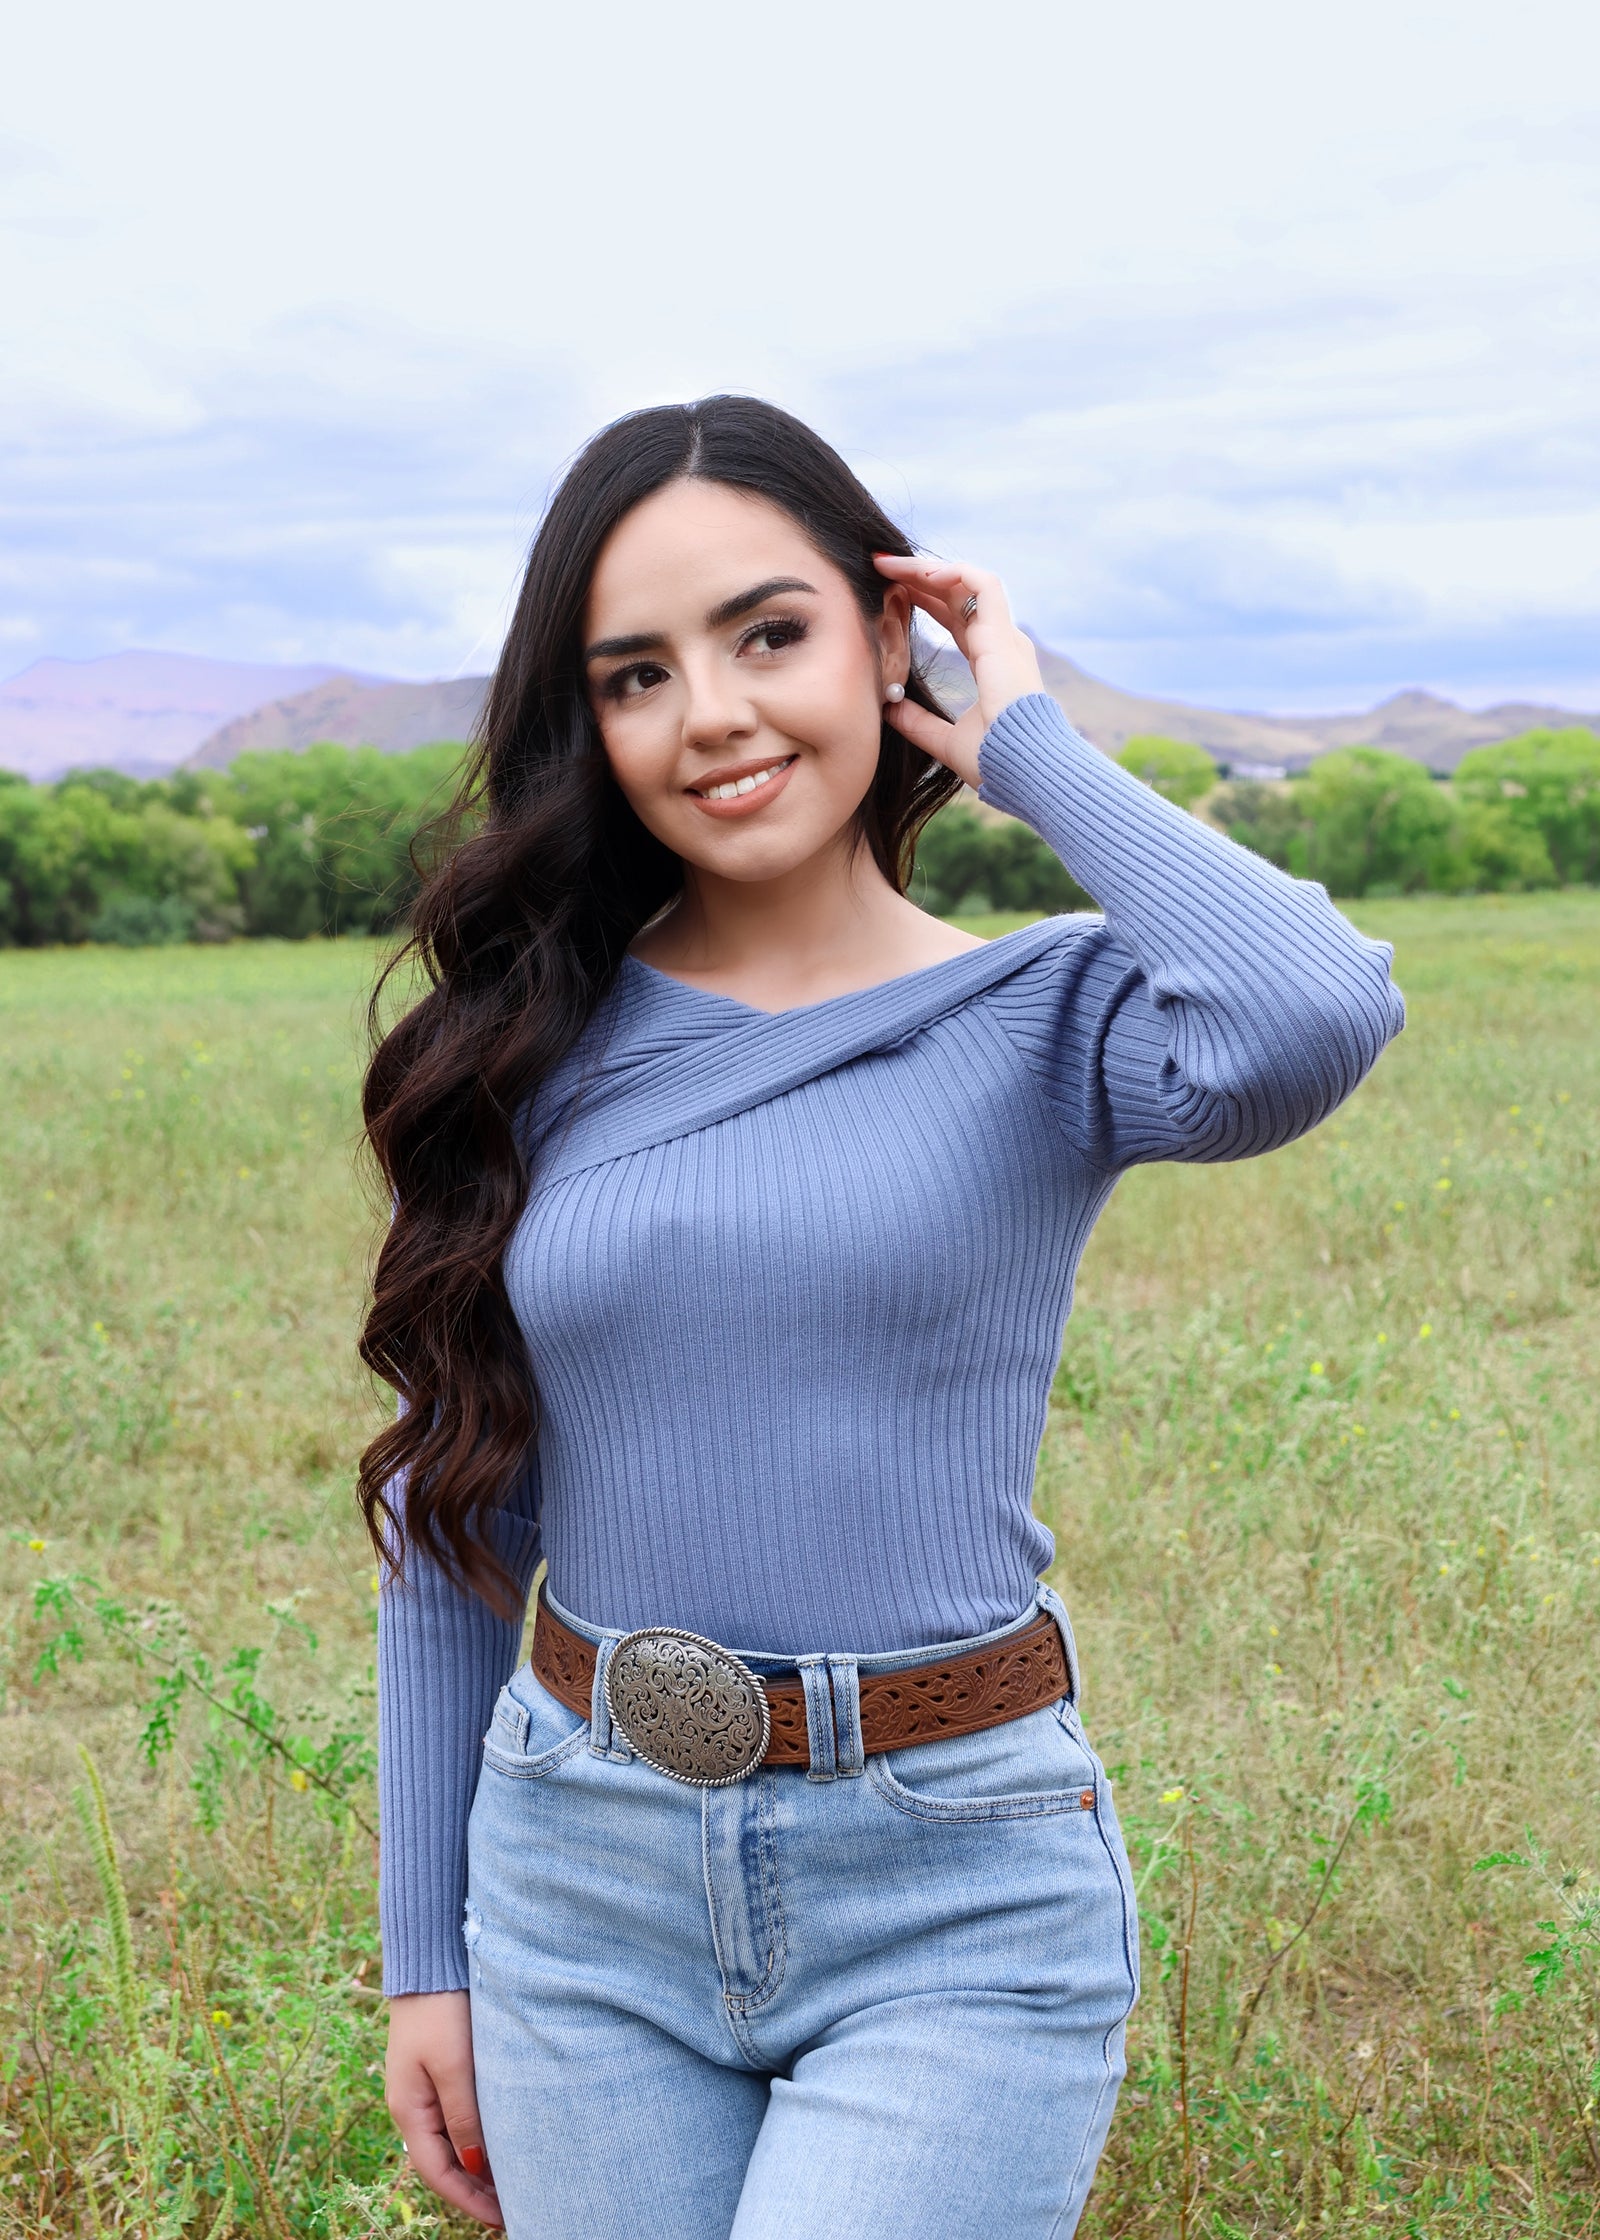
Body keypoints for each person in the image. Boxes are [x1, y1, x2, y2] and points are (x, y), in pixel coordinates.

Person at [361, 395, 1404, 2240]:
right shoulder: (527, 1049)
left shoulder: (1052, 1022)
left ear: (885, 634)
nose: (715, 716)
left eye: (769, 632)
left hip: (957, 1889)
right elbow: (456, 1508)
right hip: (577, 1879)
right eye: (636, 675)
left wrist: (1033, 752)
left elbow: (1313, 1008)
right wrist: (422, 1953)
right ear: (587, 727)